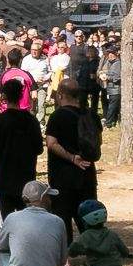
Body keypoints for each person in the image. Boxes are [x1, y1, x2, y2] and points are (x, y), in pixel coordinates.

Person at [45, 82, 98, 236]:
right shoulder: (90, 115)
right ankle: (94, 252)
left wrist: (72, 158)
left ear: (60, 95)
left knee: (62, 219)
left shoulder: (57, 116)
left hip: (62, 175)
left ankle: (65, 258)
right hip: (87, 173)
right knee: (89, 218)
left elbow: (51, 143)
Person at [0, 79, 44, 219]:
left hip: (4, 179)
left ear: (4, 96)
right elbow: (39, 149)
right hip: (26, 178)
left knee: (5, 223)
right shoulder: (31, 120)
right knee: (27, 222)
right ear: (21, 94)